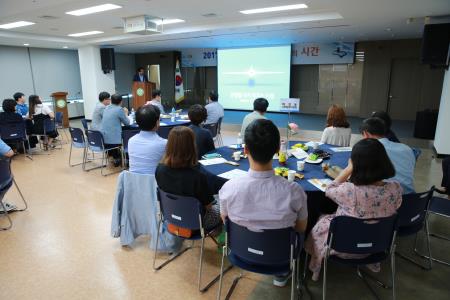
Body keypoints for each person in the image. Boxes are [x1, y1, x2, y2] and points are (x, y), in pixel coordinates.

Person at [219, 119, 308, 287]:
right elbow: (301, 228)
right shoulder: (295, 191)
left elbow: (225, 220)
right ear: (276, 150)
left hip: (240, 252)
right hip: (280, 256)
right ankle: (281, 274)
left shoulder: (228, 188)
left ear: (245, 150)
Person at [305, 138, 402, 281]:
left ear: (357, 164)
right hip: (378, 244)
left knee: (320, 218)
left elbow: (330, 189)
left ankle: (312, 263)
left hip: (342, 247)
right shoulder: (395, 188)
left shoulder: (350, 191)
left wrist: (348, 168)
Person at [155, 126, 221, 230]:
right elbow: (209, 206)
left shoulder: (159, 169)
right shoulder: (198, 175)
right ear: (192, 146)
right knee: (224, 201)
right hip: (196, 222)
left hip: (170, 216)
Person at [360, 117, 415, 194]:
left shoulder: (369, 150)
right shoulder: (407, 148)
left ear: (366, 134)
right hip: (413, 198)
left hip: (388, 199)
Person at [128, 105, 166, 174]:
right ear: (157, 123)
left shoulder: (131, 140)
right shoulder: (164, 143)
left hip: (134, 182)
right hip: (154, 183)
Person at [101, 94, 130, 166]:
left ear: (111, 101)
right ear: (121, 102)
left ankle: (117, 157)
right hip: (114, 141)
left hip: (104, 139)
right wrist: (126, 113)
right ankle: (126, 158)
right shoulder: (119, 109)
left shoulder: (106, 108)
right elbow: (127, 123)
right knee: (128, 134)